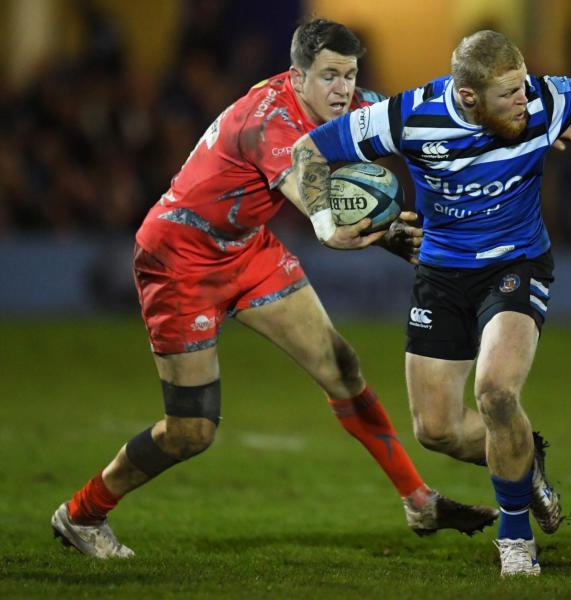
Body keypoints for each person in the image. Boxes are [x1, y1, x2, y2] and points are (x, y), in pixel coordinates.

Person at [50, 18, 503, 560]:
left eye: (350, 75)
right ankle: (82, 513)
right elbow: (322, 215)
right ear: (298, 76)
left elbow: (419, 115)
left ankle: (419, 500)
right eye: (330, 76)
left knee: (342, 368)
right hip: (179, 259)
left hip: (246, 247)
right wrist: (379, 232)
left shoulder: (344, 102)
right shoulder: (271, 129)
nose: (343, 89)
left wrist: (515, 119)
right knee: (192, 430)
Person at [291, 29, 571, 575]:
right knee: (436, 430)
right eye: (510, 96)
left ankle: (516, 540)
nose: (525, 102)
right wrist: (324, 222)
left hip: (516, 265)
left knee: (497, 391)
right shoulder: (408, 116)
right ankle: (529, 460)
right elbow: (308, 150)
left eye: (524, 88)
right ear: (469, 97)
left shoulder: (549, 98)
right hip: (441, 275)